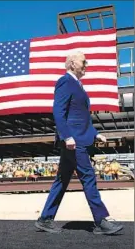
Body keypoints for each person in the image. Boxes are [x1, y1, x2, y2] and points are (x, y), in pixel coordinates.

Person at [34, 52, 123, 235]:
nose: (86, 65)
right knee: (88, 177)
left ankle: (45, 219)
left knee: (61, 180)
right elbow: (58, 111)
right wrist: (67, 136)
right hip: (74, 142)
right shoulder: (65, 81)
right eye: (84, 61)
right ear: (73, 63)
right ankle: (101, 221)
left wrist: (96, 134)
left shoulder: (78, 85)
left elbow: (82, 117)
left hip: (78, 138)